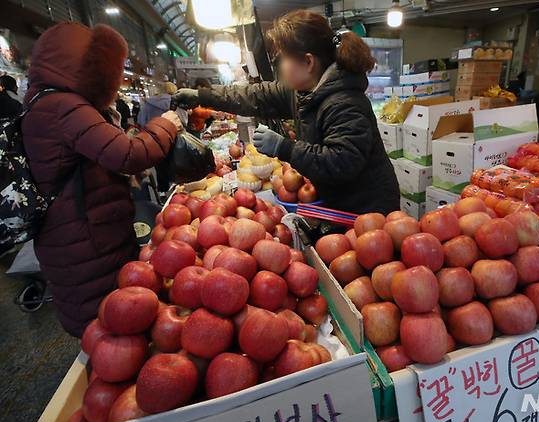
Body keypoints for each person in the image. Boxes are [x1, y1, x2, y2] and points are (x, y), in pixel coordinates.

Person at [22, 22, 181, 337]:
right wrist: (166, 125)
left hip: (80, 229)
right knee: (107, 327)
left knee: (114, 321)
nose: (118, 77)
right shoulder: (63, 107)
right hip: (83, 237)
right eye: (111, 68)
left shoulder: (48, 102)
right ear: (84, 65)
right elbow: (129, 154)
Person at [174, 10, 399, 215]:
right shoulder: (302, 91)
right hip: (337, 203)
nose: (280, 66)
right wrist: (201, 96)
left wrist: (285, 148)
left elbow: (341, 162)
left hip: (368, 210)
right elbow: (254, 95)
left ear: (308, 62)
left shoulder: (345, 103)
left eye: (283, 58)